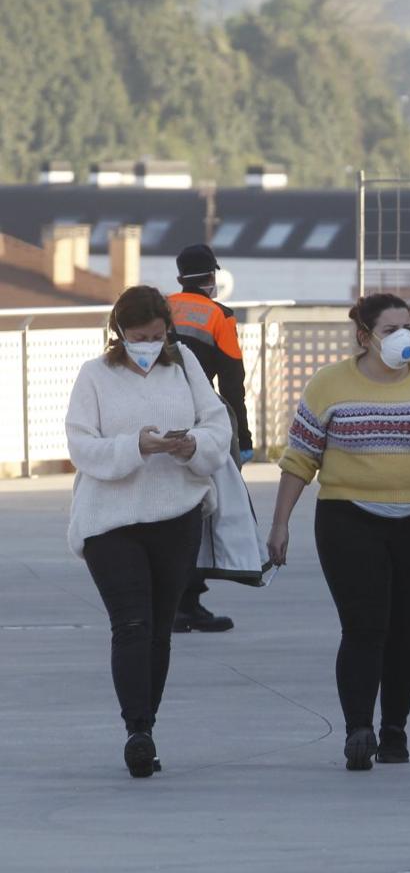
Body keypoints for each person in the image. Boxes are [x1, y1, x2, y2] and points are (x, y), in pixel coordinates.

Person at [266, 294, 410, 771]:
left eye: (407, 326)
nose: (403, 337)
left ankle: (395, 731)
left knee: (406, 632)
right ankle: (358, 730)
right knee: (365, 627)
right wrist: (280, 522)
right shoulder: (329, 385)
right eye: (391, 330)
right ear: (364, 337)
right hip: (349, 519)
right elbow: (300, 457)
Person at [65, 286, 233, 777]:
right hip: (109, 521)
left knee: (159, 631)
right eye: (140, 338)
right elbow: (82, 446)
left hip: (175, 514)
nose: (150, 345)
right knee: (131, 625)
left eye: (158, 336)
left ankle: (148, 727)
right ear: (120, 334)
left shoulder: (183, 366)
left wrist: (191, 446)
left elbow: (218, 428)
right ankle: (135, 728)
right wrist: (134, 447)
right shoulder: (94, 376)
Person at [168, 243, 254, 633]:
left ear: (179, 277)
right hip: (202, 421)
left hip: (161, 416)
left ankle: (176, 601)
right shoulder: (221, 316)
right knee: (205, 509)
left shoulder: (161, 306)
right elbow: (234, 385)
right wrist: (245, 439)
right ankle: (187, 603)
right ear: (212, 278)